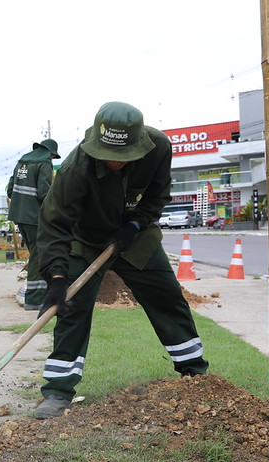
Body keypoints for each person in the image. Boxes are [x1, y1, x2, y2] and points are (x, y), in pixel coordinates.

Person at [34, 102, 209, 419]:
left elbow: (158, 195)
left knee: (167, 296)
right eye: (107, 155)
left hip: (133, 236)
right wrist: (57, 278)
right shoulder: (75, 169)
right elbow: (53, 226)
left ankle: (195, 375)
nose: (114, 162)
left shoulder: (159, 148)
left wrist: (136, 225)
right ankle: (58, 391)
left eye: (122, 157)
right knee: (73, 308)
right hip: (85, 240)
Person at [6, 138, 61, 310]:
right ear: (51, 153)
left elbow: (9, 190)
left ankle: (39, 293)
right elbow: (44, 193)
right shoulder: (44, 164)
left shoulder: (22, 162)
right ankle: (35, 300)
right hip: (34, 218)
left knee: (35, 254)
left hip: (19, 216)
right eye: (53, 157)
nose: (52, 159)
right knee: (39, 256)